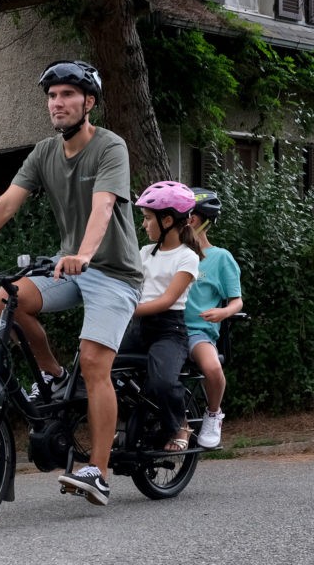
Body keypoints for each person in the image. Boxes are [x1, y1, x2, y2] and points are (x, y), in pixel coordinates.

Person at [0, 60, 142, 507]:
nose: (57, 103)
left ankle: (99, 471)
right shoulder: (44, 153)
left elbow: (103, 207)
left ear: (88, 102)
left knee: (95, 363)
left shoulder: (111, 146)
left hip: (114, 273)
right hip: (68, 268)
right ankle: (52, 375)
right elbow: (8, 202)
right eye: (52, 96)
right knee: (8, 298)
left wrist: (85, 253)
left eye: (68, 94)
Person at [119, 181, 201, 453]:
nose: (144, 225)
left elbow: (167, 300)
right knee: (99, 365)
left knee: (163, 381)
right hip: (139, 327)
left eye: (147, 218)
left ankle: (181, 425)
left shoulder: (187, 257)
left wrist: (128, 309)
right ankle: (130, 421)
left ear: (167, 220)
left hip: (169, 331)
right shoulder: (144, 253)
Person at [184, 187, 243, 449]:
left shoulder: (221, 258)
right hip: (168, 329)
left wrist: (223, 312)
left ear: (194, 220)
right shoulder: (172, 255)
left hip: (198, 331)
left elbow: (237, 300)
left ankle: (213, 413)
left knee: (212, 368)